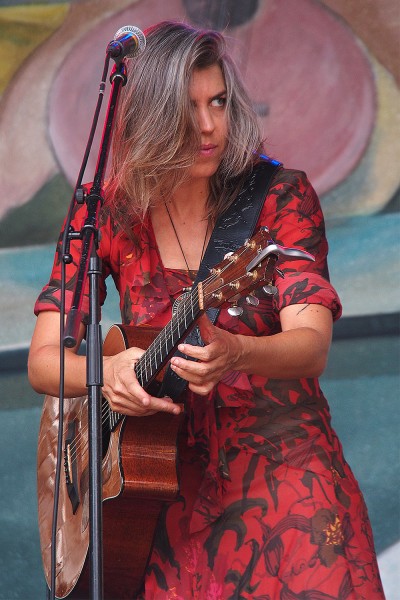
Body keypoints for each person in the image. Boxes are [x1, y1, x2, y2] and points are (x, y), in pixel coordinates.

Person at [28, 20, 385, 600]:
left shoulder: (279, 196)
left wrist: (239, 350)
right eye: (186, 108)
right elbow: (45, 362)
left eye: (218, 101)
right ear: (144, 117)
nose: (209, 125)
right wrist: (108, 372)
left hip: (286, 479)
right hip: (162, 494)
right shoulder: (108, 215)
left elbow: (312, 346)